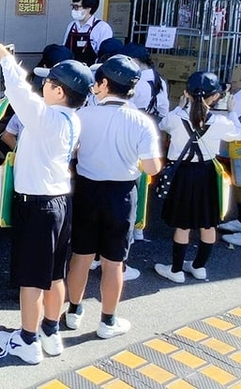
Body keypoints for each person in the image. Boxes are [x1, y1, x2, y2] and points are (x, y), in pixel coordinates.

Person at [0, 47, 93, 364]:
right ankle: (50, 330)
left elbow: (18, 91)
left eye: (48, 82)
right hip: (59, 202)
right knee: (53, 275)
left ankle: (28, 340)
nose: (43, 86)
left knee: (31, 279)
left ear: (59, 91)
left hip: (37, 206)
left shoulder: (46, 118)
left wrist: (5, 58)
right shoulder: (72, 119)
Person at [65, 55, 162, 340]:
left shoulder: (82, 116)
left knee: (80, 256)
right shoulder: (142, 121)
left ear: (104, 84)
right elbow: (152, 168)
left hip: (86, 190)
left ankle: (73, 311)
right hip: (122, 194)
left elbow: (70, 152)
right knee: (114, 261)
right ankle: (108, 320)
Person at [154, 72, 240, 283]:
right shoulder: (221, 121)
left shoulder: (176, 118)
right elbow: (237, 133)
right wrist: (232, 113)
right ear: (216, 97)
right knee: (208, 223)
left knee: (182, 225)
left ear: (186, 93)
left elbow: (163, 124)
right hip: (207, 174)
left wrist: (179, 107)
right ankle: (199, 267)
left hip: (182, 174)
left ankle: (176, 271)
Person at [121, 43, 169, 122]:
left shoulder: (136, 82)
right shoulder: (160, 79)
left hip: (134, 121)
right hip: (154, 122)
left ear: (135, 60)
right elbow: (164, 110)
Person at [62, 0, 113, 65]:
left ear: (89, 8)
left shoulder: (102, 28)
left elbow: (104, 56)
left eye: (76, 7)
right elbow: (64, 49)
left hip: (91, 69)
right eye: (72, 6)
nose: (73, 10)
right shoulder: (71, 25)